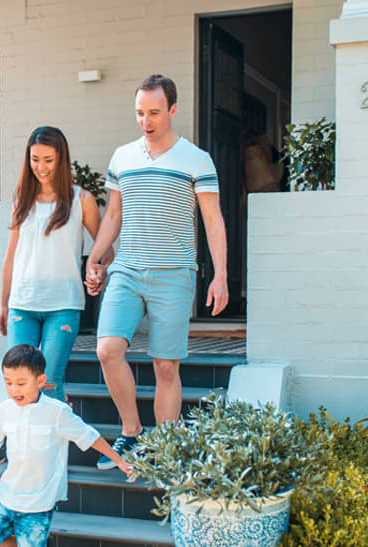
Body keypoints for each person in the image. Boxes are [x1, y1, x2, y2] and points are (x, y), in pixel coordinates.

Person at [85, 74, 229, 470]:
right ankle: (131, 433)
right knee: (107, 350)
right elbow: (113, 215)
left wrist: (220, 276)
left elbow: (213, 222)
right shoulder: (122, 157)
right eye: (139, 113)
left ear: (172, 110)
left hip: (174, 273)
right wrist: (95, 258)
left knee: (165, 366)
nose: (146, 121)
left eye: (154, 112)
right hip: (127, 271)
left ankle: (165, 449)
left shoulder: (196, 159)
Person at [0, 344, 132, 547]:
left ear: (40, 381)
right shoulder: (4, 409)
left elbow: (89, 436)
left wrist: (119, 460)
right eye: (8, 383)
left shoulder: (56, 412)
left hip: (38, 503)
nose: (14, 390)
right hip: (6, 497)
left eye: (21, 383)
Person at [0, 126, 110, 402]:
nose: (41, 167)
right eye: (35, 159)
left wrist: (97, 269)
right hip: (22, 304)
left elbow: (105, 249)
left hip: (63, 304)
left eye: (48, 160)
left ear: (61, 159)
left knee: (48, 382)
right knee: (19, 383)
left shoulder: (81, 200)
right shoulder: (21, 200)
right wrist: (3, 304)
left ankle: (56, 445)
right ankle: (23, 444)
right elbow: (10, 255)